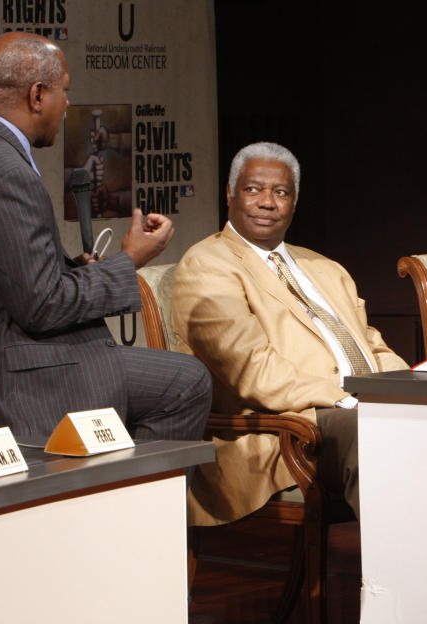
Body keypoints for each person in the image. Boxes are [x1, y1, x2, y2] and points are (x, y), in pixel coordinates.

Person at [0, 32, 210, 441]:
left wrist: (82, 271)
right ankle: (122, 504)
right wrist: (130, 262)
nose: (67, 106)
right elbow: (43, 305)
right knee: (185, 383)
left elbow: (8, 279)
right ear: (37, 95)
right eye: (63, 92)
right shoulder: (6, 173)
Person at [172, 142, 408, 524]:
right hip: (283, 429)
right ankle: (399, 575)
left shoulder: (324, 267)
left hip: (352, 410)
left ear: (294, 203)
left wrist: (409, 390)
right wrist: (348, 400)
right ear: (229, 195)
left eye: (280, 192)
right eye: (253, 189)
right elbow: (254, 372)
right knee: (373, 433)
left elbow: (372, 345)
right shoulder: (207, 265)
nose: (267, 202)